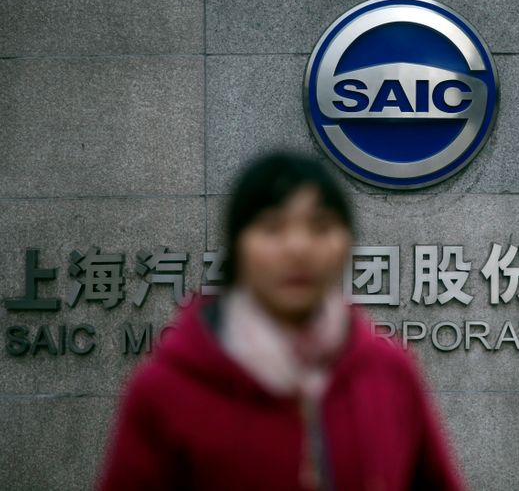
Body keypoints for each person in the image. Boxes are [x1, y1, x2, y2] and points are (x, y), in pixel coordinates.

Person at [95, 151, 466, 491]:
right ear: (237, 245)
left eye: (320, 227)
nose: (298, 247)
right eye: (273, 227)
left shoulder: (388, 373)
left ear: (348, 243)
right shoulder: (165, 390)